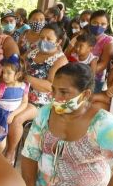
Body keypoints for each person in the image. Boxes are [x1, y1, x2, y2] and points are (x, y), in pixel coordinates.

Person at [6, 24, 69, 163]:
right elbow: (19, 64)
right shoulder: (33, 50)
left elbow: (50, 87)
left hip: (40, 102)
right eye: (41, 37)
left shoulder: (60, 60)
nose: (43, 41)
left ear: (58, 42)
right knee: (0, 106)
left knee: (16, 119)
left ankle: (10, 154)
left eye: (48, 38)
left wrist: (26, 78)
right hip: (20, 92)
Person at [0, 59, 29, 161]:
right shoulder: (0, 87)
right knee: (0, 143)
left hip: (10, 115)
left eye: (8, 73)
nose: (4, 75)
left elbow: (24, 103)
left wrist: (13, 114)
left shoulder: (24, 87)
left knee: (1, 142)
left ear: (18, 74)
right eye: (3, 72)